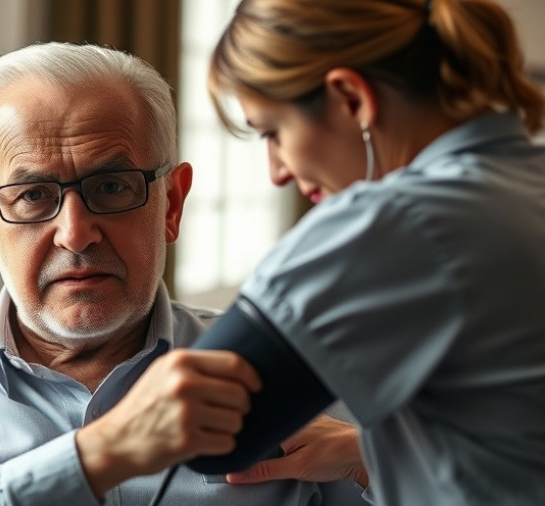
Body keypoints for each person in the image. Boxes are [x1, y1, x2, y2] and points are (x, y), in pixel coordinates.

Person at [0, 42, 369, 505]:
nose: (76, 233)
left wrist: (373, 460)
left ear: (172, 203)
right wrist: (94, 458)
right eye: (32, 196)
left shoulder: (292, 367)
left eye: (111, 186)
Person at [205, 0, 545, 504]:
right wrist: (367, 451)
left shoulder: (399, 221)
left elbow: (210, 437)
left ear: (351, 98)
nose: (276, 171)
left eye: (274, 132)